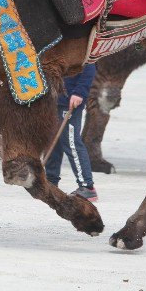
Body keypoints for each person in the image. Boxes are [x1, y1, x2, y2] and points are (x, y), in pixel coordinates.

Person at [45, 64, 98, 201]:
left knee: (71, 142)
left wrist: (80, 92)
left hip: (70, 101)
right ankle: (50, 182)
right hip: (54, 100)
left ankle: (87, 186)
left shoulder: (80, 45)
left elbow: (89, 68)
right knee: (52, 141)